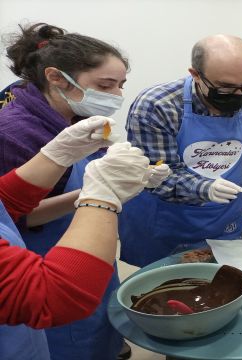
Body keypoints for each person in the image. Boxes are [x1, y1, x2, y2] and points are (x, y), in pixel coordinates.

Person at [0, 23, 162, 360]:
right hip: (46, 254)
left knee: (101, 314)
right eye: (105, 85)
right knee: (72, 338)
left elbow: (7, 200)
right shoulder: (15, 131)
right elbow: (24, 220)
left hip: (81, 242)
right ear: (56, 78)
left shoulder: (68, 113)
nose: (116, 96)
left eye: (121, 86)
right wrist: (97, 195)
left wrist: (65, 159)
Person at [118, 34, 242, 267]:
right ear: (196, 75)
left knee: (221, 279)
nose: (239, 95)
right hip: (166, 216)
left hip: (223, 214)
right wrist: (206, 187)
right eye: (226, 87)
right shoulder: (158, 105)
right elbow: (155, 175)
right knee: (165, 289)